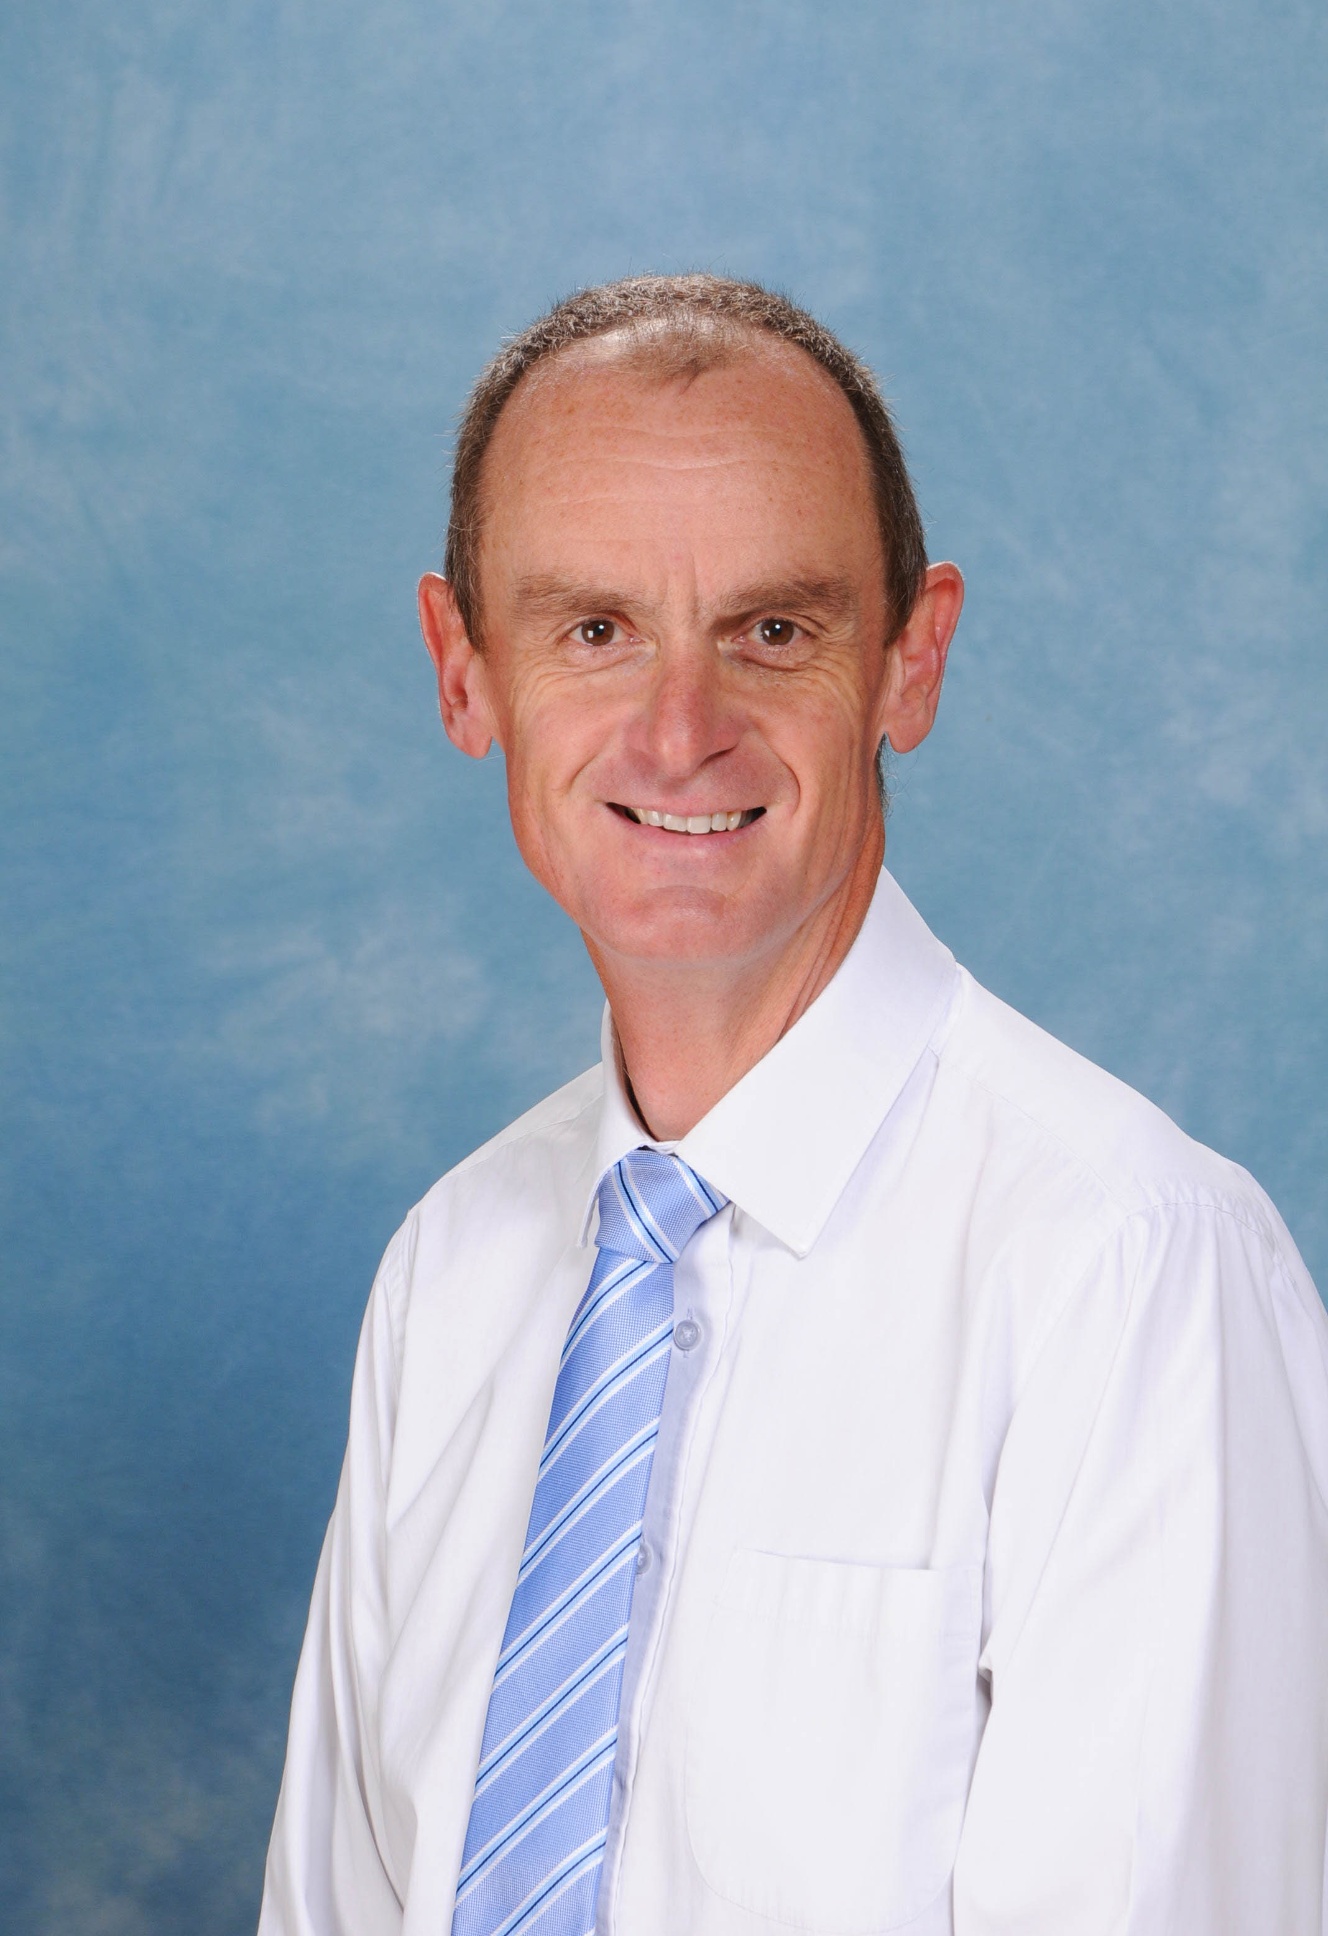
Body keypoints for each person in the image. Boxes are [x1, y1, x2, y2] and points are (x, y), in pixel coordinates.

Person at [258, 275, 1328, 1936]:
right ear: (464, 674)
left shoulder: (1131, 1273)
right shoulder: (450, 1270)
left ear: (912, 660)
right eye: (594, 630)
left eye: (773, 629)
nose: (681, 731)